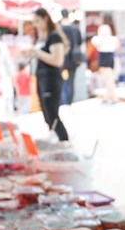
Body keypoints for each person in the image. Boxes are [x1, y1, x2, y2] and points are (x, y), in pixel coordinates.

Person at [27, 7, 70, 141]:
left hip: (51, 80)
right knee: (47, 115)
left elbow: (57, 60)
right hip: (42, 79)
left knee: (53, 115)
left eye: (37, 21)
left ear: (45, 19)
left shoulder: (54, 37)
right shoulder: (43, 37)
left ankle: (64, 141)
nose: (36, 25)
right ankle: (58, 141)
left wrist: (36, 51)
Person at [59, 8, 85, 105]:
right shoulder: (75, 28)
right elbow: (79, 43)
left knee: (61, 81)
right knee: (71, 81)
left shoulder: (59, 29)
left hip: (62, 59)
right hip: (74, 60)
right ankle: (70, 101)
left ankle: (63, 101)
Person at [92, 22, 120, 105]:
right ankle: (108, 95)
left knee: (109, 78)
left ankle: (113, 96)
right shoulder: (98, 38)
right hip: (103, 57)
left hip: (108, 57)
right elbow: (97, 44)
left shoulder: (112, 39)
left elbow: (116, 46)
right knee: (106, 78)